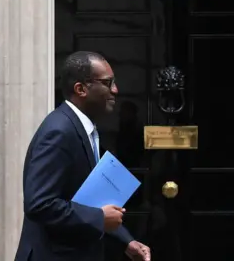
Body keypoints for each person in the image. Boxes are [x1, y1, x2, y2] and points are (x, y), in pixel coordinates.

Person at [14, 51, 151, 261]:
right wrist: (99, 218)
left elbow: (90, 200)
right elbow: (40, 204)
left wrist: (126, 240)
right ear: (81, 89)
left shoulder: (85, 129)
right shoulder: (59, 132)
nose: (115, 90)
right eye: (107, 83)